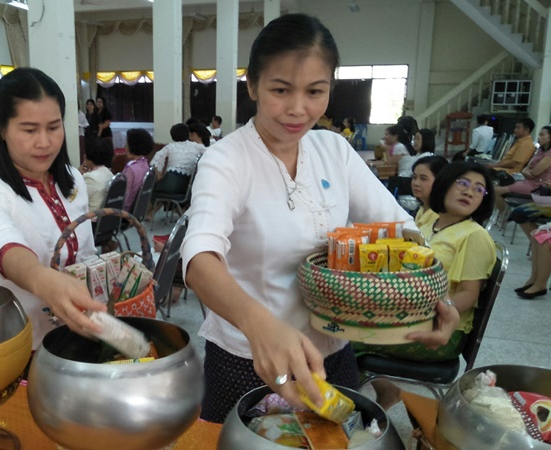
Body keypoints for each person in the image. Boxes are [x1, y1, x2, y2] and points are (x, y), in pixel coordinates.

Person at [180, 14, 460, 423]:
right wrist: (261, 326)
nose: (298, 109)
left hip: (333, 350)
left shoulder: (334, 150)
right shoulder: (227, 159)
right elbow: (200, 258)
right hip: (250, 357)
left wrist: (431, 296)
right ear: (253, 85)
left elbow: (402, 231)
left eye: (315, 91)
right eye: (280, 90)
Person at [0, 67, 107, 350]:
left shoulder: (73, 178)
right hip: (27, 344)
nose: (45, 142)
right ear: (2, 129)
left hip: (83, 331)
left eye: (54, 127)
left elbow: (86, 253)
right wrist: (42, 279)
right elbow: (2, 243)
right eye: (29, 130)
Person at [356, 162, 496, 409]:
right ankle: (383, 393)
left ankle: (347, 412)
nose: (469, 192)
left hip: (444, 331)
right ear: (445, 184)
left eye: (478, 189)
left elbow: (468, 293)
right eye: (462, 183)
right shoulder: (430, 220)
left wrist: (436, 311)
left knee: (345, 338)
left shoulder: (475, 236)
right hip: (408, 315)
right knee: (341, 325)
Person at [493, 125, 551, 212]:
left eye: (542, 135)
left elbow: (535, 172)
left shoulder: (549, 154)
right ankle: (503, 216)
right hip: (528, 181)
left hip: (537, 187)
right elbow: (525, 169)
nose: (539, 137)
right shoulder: (540, 151)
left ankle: (505, 216)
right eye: (539, 135)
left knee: (496, 191)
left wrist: (528, 172)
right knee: (497, 185)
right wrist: (527, 172)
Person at [149, 123, 205, 198]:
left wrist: (159, 177)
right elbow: (209, 154)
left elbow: (156, 161)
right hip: (189, 186)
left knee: (152, 190)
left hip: (171, 183)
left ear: (172, 136)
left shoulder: (170, 147)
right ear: (188, 134)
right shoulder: (197, 147)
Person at [411, 155, 449, 229]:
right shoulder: (422, 208)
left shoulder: (439, 215)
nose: (416, 183)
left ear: (440, 180)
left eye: (423, 178)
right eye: (414, 177)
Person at [122, 128, 154, 211]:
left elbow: (124, 197)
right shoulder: (145, 165)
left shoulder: (130, 170)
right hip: (137, 211)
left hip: (124, 212)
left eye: (127, 144)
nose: (125, 146)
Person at [80, 138, 115, 212]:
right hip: (105, 218)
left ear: (87, 156)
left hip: (91, 219)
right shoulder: (108, 173)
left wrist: (78, 174)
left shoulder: (90, 178)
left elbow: (76, 199)